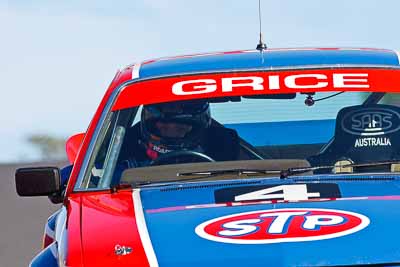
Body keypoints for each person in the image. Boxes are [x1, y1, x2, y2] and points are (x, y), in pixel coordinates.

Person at [120, 100, 241, 167]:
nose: (172, 128)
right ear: (150, 123)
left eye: (180, 124)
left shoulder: (223, 144)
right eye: (164, 123)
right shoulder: (123, 144)